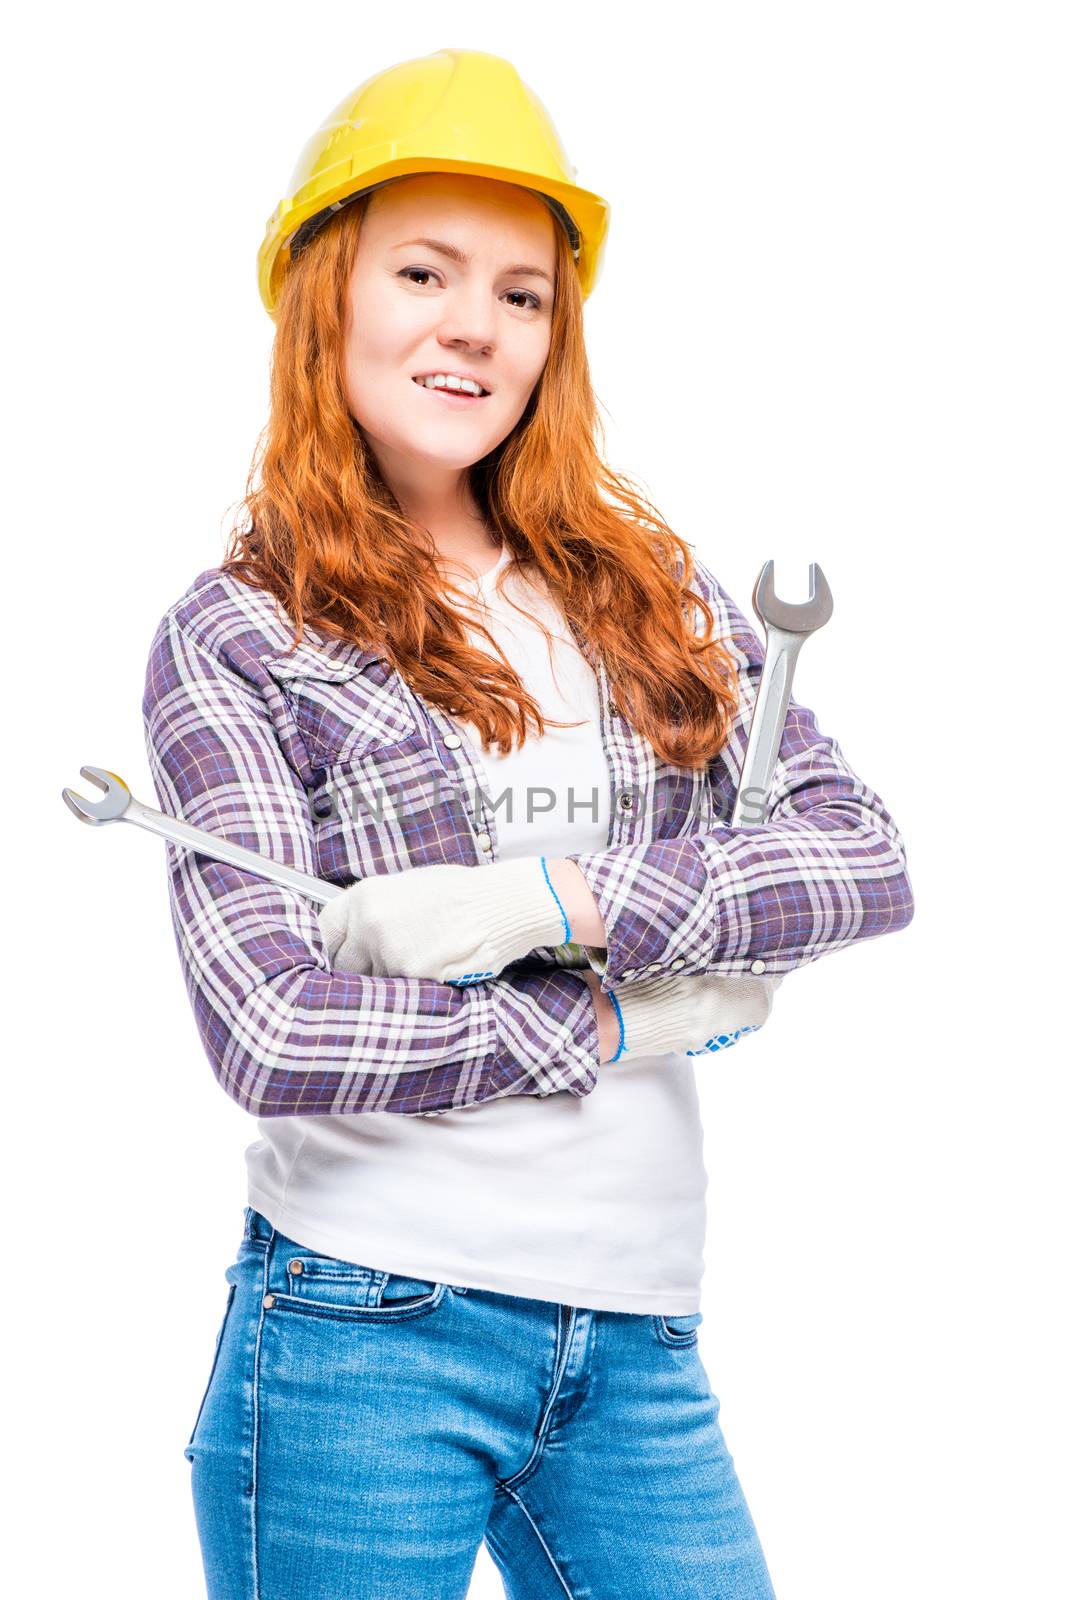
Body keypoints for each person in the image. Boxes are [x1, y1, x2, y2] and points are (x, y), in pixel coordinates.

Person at [142, 48, 915, 1599]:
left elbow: (858, 858)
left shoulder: (656, 597)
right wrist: (621, 1024)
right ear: (325, 301)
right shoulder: (240, 636)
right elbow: (276, 1030)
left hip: (634, 1339)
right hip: (362, 1329)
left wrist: (547, 899)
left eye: (521, 292)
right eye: (423, 271)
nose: (473, 326)